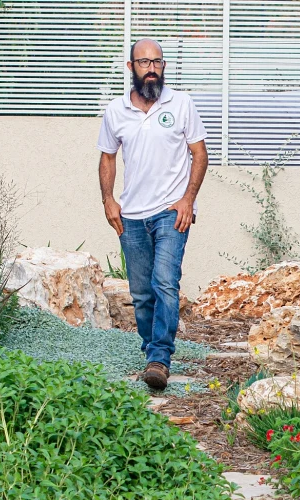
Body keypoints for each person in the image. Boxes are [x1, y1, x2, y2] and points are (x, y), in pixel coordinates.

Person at [97, 38, 208, 390]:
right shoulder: (116, 111)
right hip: (131, 215)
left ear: (163, 66)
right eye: (144, 62)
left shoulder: (181, 104)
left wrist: (188, 199)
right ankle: (151, 352)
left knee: (165, 283)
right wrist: (108, 200)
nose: (152, 69)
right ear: (131, 67)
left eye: (157, 62)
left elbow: (199, 153)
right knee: (142, 294)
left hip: (171, 212)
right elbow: (107, 157)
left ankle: (160, 357)